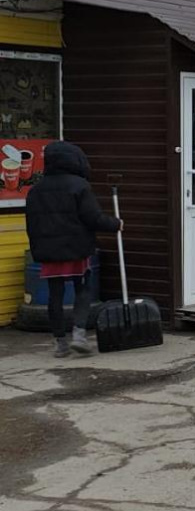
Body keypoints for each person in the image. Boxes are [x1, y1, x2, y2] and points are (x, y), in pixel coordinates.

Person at [25, 141, 122, 357]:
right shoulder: (79, 186)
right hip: (76, 248)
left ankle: (60, 343)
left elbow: (32, 224)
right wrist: (115, 224)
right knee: (83, 290)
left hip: (49, 252)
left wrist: (38, 248)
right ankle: (79, 335)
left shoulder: (35, 190)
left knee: (55, 295)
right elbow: (93, 218)